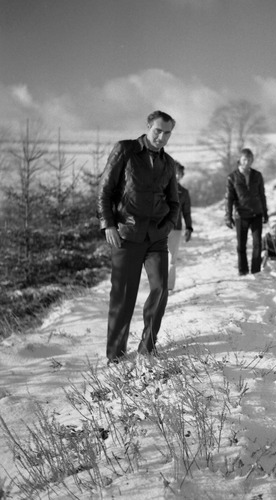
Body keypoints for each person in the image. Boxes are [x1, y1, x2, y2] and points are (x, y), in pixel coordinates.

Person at [97, 110, 180, 363]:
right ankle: (116, 356)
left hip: (156, 237)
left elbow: (174, 202)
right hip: (126, 235)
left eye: (167, 133)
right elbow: (105, 190)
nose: (162, 137)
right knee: (123, 296)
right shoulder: (126, 150)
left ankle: (147, 349)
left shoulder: (169, 163)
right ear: (148, 127)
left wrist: (165, 228)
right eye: (158, 131)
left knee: (160, 289)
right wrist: (108, 225)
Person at [225, 148, 268, 275]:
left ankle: (256, 271)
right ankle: (243, 270)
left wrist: (265, 212)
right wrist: (228, 216)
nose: (247, 162)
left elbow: (262, 195)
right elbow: (229, 198)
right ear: (240, 160)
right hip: (241, 215)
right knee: (241, 245)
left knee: (257, 244)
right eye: (245, 159)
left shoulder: (257, 175)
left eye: (250, 159)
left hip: (256, 213)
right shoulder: (232, 177)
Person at [168, 162, 193, 291]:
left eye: (180, 173)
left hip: (176, 228)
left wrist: (189, 228)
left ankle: (169, 287)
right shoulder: (161, 188)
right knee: (157, 258)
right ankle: (157, 285)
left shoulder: (183, 192)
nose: (177, 175)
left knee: (172, 259)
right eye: (175, 172)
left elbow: (186, 212)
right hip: (159, 228)